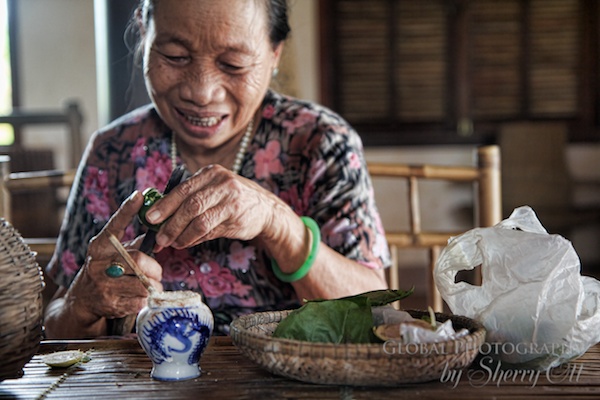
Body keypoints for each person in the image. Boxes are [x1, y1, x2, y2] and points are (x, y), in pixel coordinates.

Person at [44, 0, 390, 339]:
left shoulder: (320, 142)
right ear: (143, 32)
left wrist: (278, 225)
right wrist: (82, 302)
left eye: (234, 63)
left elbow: (376, 315)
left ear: (275, 54)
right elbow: (57, 329)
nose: (202, 92)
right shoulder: (113, 150)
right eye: (175, 56)